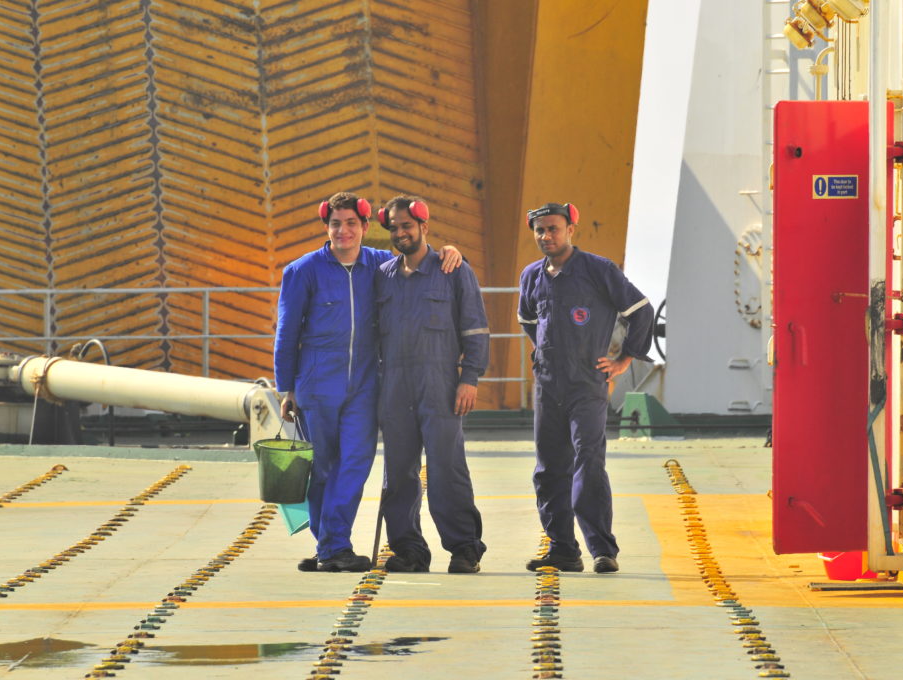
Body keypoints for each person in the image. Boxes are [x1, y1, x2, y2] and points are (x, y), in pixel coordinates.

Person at [273, 192, 461, 573]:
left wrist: (452, 254)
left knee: (355, 463)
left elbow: (419, 262)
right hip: (316, 383)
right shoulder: (303, 271)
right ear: (327, 228)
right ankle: (330, 545)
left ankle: (332, 545)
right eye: (336, 224)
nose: (343, 231)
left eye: (351, 224)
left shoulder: (380, 265)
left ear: (363, 228)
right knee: (322, 467)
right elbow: (286, 332)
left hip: (363, 384)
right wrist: (286, 388)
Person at [517, 202, 655, 574]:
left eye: (554, 228)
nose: (547, 236)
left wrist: (624, 359)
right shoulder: (532, 276)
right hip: (547, 385)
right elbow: (529, 321)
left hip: (586, 383)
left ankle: (601, 549)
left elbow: (641, 310)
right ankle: (562, 548)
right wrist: (545, 353)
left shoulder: (598, 270)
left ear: (571, 229)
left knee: (588, 462)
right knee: (548, 469)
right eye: (540, 230)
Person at [374, 195, 489, 574]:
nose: (400, 233)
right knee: (399, 471)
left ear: (424, 226)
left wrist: (469, 379)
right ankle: (408, 550)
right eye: (393, 227)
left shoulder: (454, 271)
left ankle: (464, 548)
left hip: (440, 385)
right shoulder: (383, 276)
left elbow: (475, 330)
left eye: (407, 225)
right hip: (395, 387)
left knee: (447, 468)